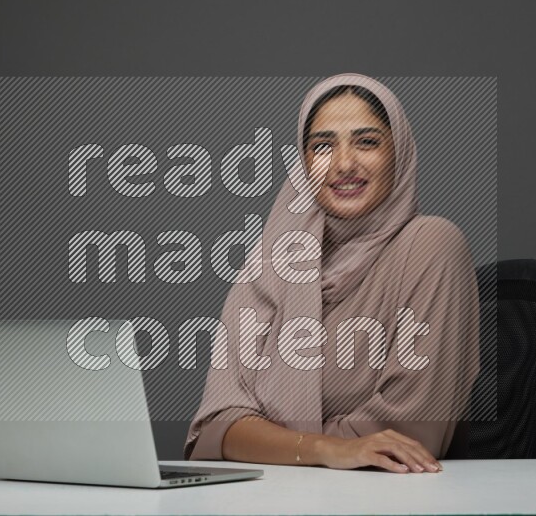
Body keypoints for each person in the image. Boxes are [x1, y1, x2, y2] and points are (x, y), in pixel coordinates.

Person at [183, 73, 480, 474]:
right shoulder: (274, 261)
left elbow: (407, 436)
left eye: (367, 142)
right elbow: (215, 429)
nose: (343, 164)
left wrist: (270, 441)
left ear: (400, 152)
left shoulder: (431, 246)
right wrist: (326, 448)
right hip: (272, 503)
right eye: (322, 146)